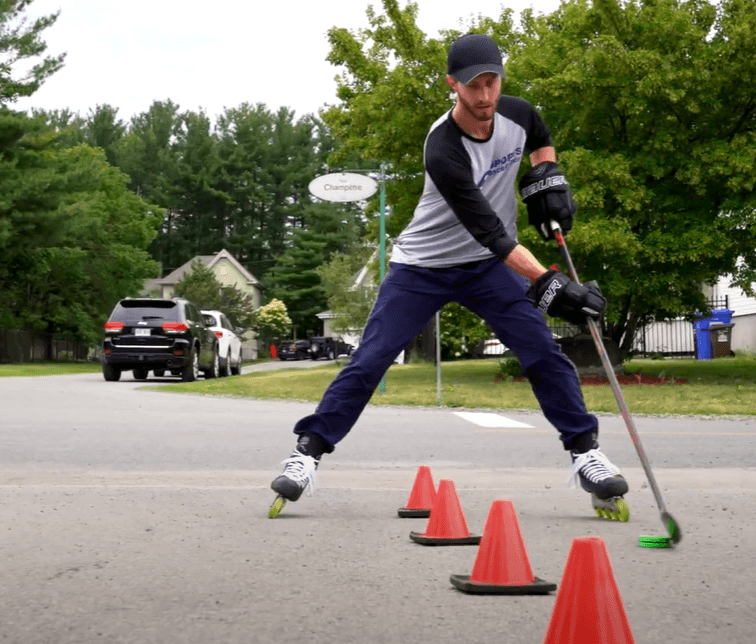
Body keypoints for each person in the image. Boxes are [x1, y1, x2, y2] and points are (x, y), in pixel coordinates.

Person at [269, 33, 630, 518]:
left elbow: (541, 143)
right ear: (452, 85)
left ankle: (586, 453)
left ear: (501, 78)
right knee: (371, 358)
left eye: (491, 82)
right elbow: (491, 234)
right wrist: (549, 280)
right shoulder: (442, 148)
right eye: (472, 86)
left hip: (486, 270)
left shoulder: (519, 114)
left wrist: (548, 181)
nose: (484, 96)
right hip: (424, 266)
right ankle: (306, 452)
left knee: (541, 351)